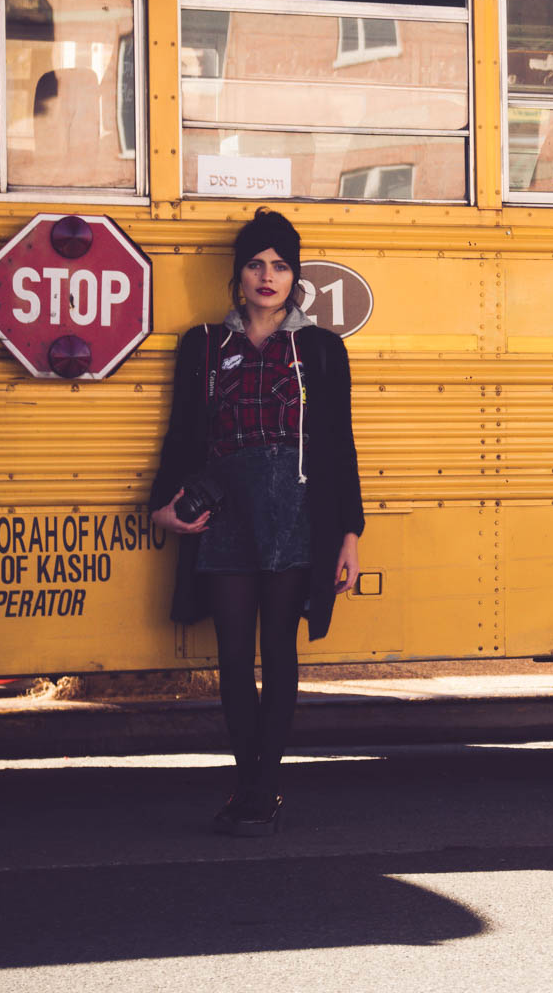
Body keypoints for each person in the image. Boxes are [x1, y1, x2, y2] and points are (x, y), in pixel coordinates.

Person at [148, 209, 364, 836]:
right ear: (238, 274)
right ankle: (248, 780)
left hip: (297, 515)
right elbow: (181, 434)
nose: (267, 277)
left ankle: (264, 786)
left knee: (281, 653)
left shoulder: (320, 349)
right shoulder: (204, 346)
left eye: (280, 266)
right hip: (228, 516)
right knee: (236, 655)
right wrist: (164, 505)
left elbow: (339, 444)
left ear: (295, 277)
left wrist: (348, 533)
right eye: (255, 265)